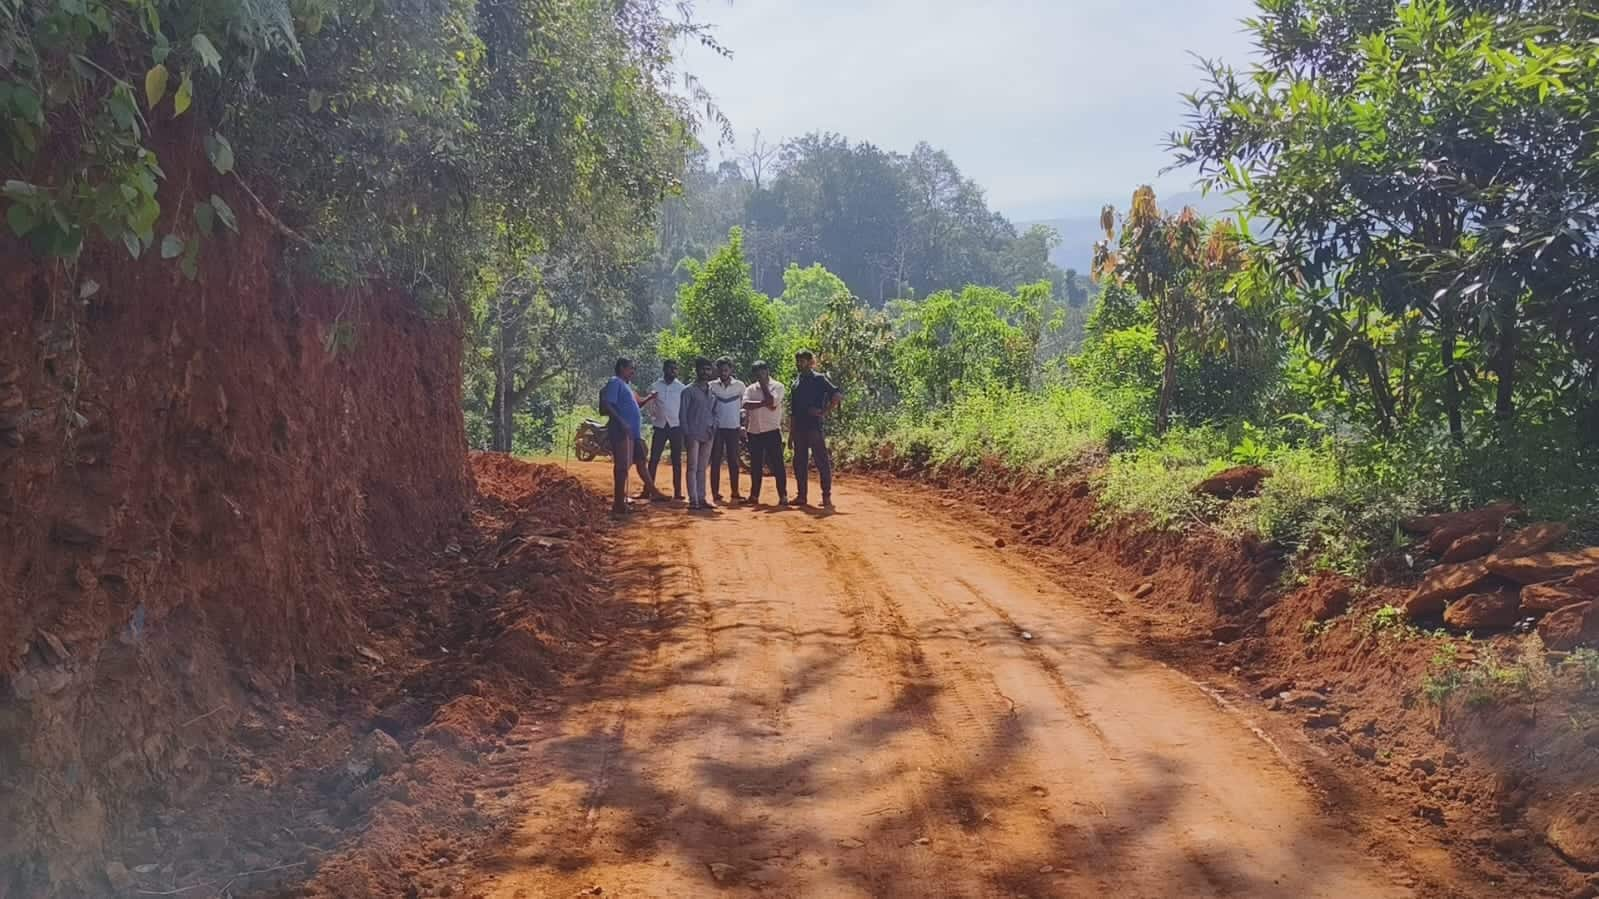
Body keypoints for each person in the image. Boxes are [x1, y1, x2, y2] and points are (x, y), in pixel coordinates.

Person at [598, 357, 664, 514]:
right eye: (630, 368)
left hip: (633, 433)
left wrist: (649, 397)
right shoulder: (615, 382)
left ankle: (653, 491)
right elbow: (608, 404)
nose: (633, 372)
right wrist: (622, 422)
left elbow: (638, 404)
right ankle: (618, 503)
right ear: (622, 368)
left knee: (640, 460)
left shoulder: (627, 386)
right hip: (621, 430)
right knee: (622, 467)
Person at [790, 349, 842, 508]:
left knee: (821, 461)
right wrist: (791, 434)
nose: (800, 363)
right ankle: (801, 496)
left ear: (810, 361)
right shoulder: (796, 382)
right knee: (799, 462)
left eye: (803, 361)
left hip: (814, 426)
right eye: (798, 361)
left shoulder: (819, 379)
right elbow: (793, 410)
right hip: (799, 427)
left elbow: (837, 394)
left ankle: (826, 496)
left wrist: (824, 412)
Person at [742, 360, 788, 507]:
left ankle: (783, 496)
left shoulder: (778, 386)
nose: (760, 375)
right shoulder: (750, 389)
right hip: (754, 431)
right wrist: (764, 403)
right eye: (757, 373)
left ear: (767, 371)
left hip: (772, 431)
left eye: (762, 371)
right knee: (755, 465)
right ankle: (754, 496)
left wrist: (763, 387)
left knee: (777, 464)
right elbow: (745, 404)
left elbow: (773, 403)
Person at [679, 357, 717, 510]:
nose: (705, 372)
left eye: (708, 369)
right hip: (693, 433)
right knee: (692, 467)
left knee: (702, 467)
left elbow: (715, 412)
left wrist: (714, 425)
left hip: (708, 433)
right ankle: (692, 498)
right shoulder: (688, 391)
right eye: (702, 369)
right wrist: (686, 434)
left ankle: (702, 497)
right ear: (697, 370)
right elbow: (682, 415)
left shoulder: (712, 391)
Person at [646, 360, 687, 501]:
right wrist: (654, 418)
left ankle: (678, 492)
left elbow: (683, 407)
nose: (673, 371)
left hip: (676, 426)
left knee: (676, 460)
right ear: (664, 369)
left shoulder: (681, 388)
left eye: (675, 369)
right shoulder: (655, 386)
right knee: (654, 459)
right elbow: (651, 405)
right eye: (671, 368)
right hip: (660, 426)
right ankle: (648, 490)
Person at [708, 356, 746, 503]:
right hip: (717, 429)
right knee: (716, 461)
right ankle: (715, 493)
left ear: (731, 370)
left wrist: (743, 425)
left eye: (726, 369)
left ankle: (735, 492)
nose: (723, 372)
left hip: (733, 428)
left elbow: (744, 408)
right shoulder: (711, 386)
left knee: (734, 461)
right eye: (721, 369)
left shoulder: (740, 386)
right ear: (717, 370)